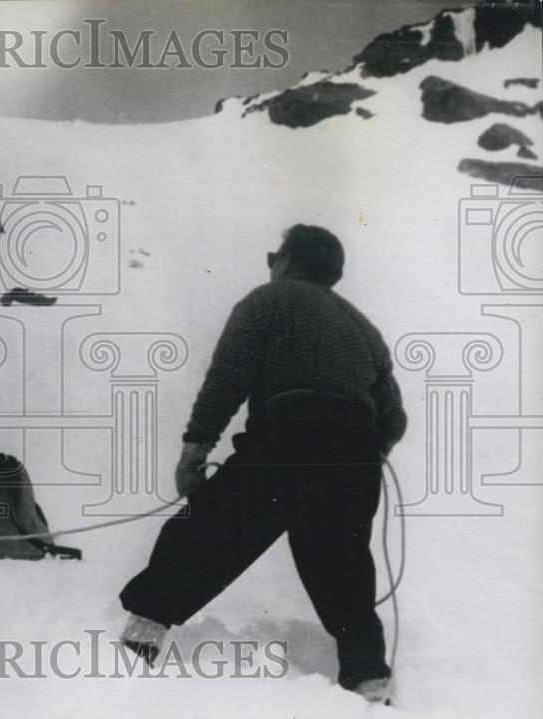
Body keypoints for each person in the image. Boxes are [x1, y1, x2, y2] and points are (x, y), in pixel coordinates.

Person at [118, 225, 407, 703]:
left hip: (288, 436)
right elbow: (393, 418)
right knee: (344, 567)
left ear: (288, 261)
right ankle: (368, 682)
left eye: (276, 256)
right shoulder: (363, 328)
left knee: (208, 530)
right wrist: (361, 455)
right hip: (354, 455)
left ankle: (139, 640)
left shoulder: (268, 300)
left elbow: (228, 377)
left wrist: (195, 449)